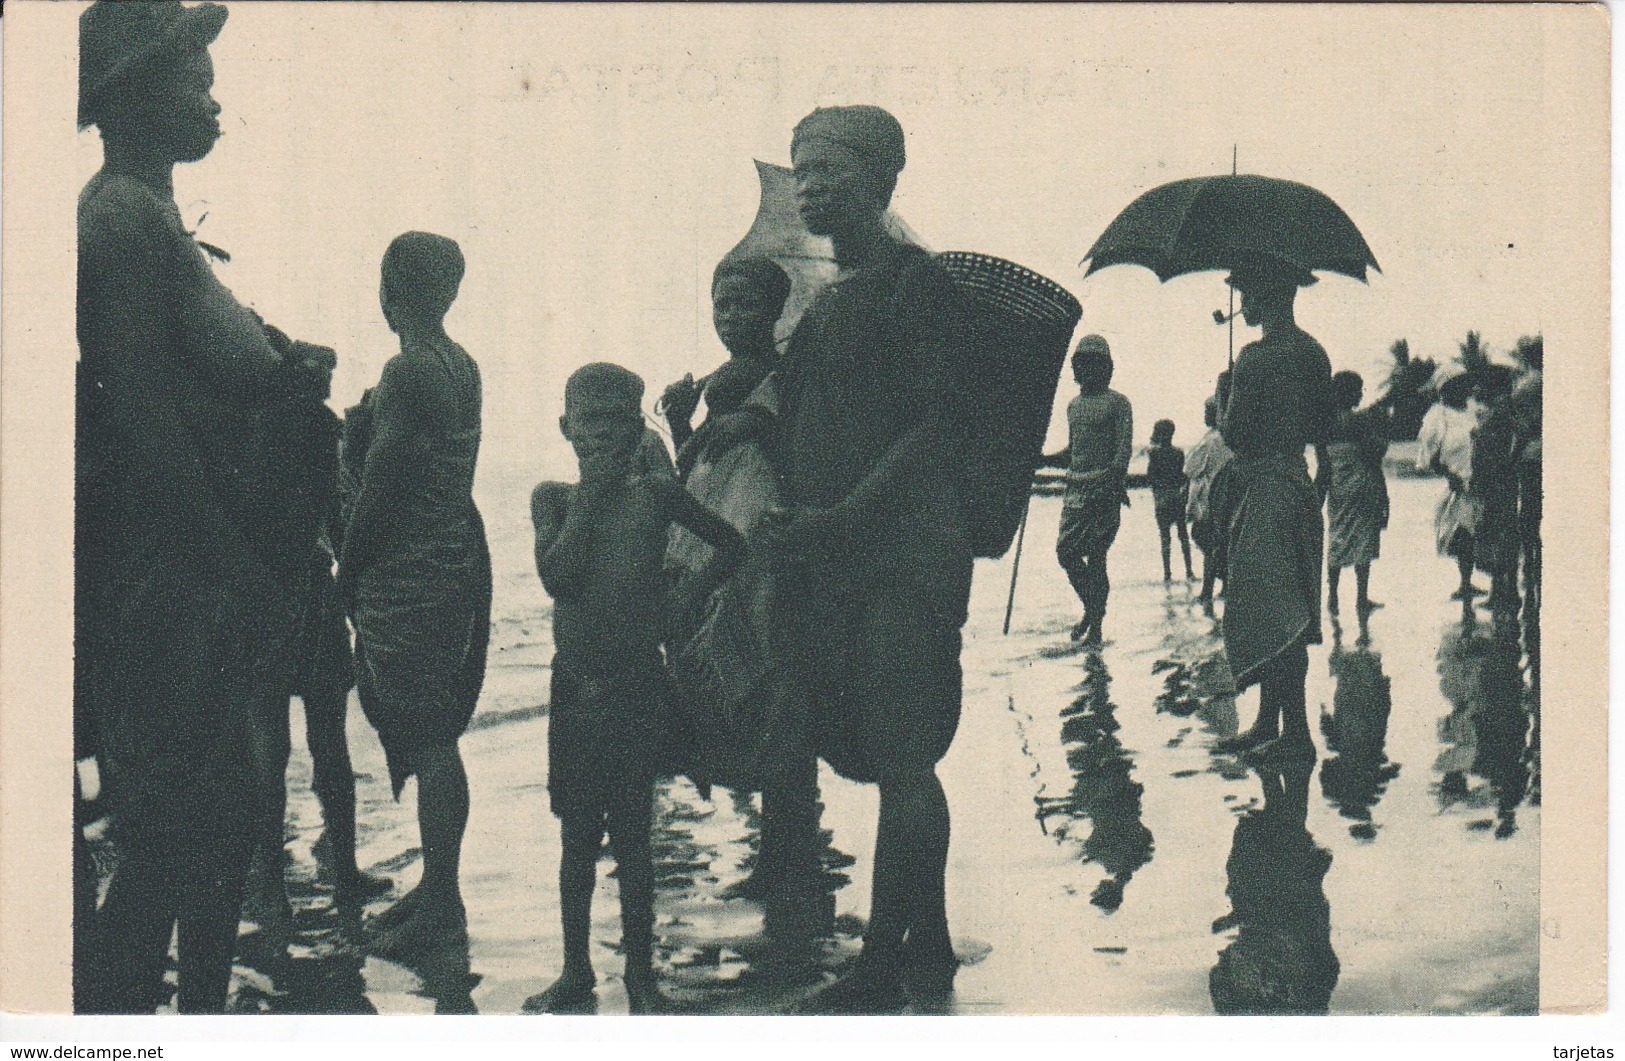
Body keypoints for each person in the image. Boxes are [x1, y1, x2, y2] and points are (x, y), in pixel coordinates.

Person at [75, 0, 331, 1013]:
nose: (215, 97)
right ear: (135, 89)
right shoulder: (120, 218)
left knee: (213, 825)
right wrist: (240, 577)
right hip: (173, 582)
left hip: (197, 580)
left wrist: (276, 361)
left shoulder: (150, 214)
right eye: (196, 78)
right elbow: (143, 421)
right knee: (173, 833)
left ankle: (199, 1018)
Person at [748, 104, 974, 1013]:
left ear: (880, 183)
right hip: (840, 556)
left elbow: (936, 427)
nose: (810, 186)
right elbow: (792, 406)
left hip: (903, 558)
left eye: (829, 171)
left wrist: (843, 515)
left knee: (904, 754)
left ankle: (883, 964)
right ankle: (933, 936)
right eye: (802, 169)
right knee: (894, 748)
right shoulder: (831, 300)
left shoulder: (916, 285)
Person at [527, 363, 745, 1015]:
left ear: (635, 427)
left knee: (631, 835)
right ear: (565, 427)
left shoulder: (656, 495)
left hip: (634, 684)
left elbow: (729, 544)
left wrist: (690, 596)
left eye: (615, 420)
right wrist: (591, 493)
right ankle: (575, 971)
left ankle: (640, 975)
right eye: (586, 421)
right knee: (575, 838)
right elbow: (560, 576)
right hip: (575, 687)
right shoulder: (553, 498)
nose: (599, 433)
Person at [339, 231, 493, 958]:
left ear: (387, 287)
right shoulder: (461, 364)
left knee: (429, 737)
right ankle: (439, 890)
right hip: (447, 560)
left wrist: (346, 569)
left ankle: (444, 906)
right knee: (436, 732)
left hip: (408, 570)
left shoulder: (408, 370)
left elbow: (382, 487)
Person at [661, 259, 828, 912]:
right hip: (720, 528)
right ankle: (777, 856)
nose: (730, 317)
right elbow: (692, 464)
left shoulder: (789, 377)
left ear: (773, 310)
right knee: (744, 691)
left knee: (768, 688)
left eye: (744, 305)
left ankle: (791, 860)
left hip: (763, 539)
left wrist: (759, 422)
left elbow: (801, 451)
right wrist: (681, 421)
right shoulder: (720, 383)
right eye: (720, 304)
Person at [244, 345, 391, 933]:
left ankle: (274, 885)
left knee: (278, 749)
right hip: (300, 595)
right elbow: (335, 515)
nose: (324, 384)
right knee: (312, 746)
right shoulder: (315, 431)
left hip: (282, 598)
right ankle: (320, 872)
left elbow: (329, 515)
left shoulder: (261, 431)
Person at [1211, 260, 1334, 766]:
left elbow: (1235, 433)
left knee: (1271, 609)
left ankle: (1297, 734)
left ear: (1263, 297)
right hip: (1298, 487)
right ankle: (1269, 723)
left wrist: (1224, 393)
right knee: (1286, 610)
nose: (1243, 304)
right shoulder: (1314, 353)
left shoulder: (1255, 359)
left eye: (1246, 293)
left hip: (1263, 490)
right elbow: (1322, 429)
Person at [1040, 335, 1133, 644]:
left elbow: (1122, 455)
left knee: (1097, 557)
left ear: (1106, 368)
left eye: (1093, 364)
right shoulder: (1073, 406)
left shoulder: (1118, 403)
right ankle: (1092, 610)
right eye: (1081, 364)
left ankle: (1096, 627)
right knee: (1065, 553)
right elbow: (1073, 452)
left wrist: (1108, 481)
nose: (1086, 370)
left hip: (1103, 493)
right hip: (1076, 493)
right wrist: (1041, 458)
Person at [1316, 370, 1389, 616]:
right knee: (1363, 543)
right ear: (1353, 394)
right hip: (1362, 487)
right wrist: (1384, 497)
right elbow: (1375, 456)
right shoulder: (1361, 421)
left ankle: (1333, 597)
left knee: (1337, 538)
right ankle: (1361, 598)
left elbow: (1323, 467)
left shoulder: (1323, 425)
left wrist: (1318, 497)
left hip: (1338, 489)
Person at [1415, 364, 1484, 603]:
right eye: (1458, 384)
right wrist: (1449, 475)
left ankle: (1474, 581)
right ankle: (1465, 582)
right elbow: (1429, 457)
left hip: (1482, 477)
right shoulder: (1437, 416)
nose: (1464, 388)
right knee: (1462, 531)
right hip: (1458, 480)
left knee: (1481, 531)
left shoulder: (1473, 410)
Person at [1184, 393, 1234, 604]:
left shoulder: (1211, 439)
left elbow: (1190, 468)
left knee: (1207, 542)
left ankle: (1207, 590)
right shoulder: (1230, 439)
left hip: (1210, 499)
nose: (1205, 415)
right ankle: (1225, 586)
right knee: (1223, 544)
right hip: (1229, 497)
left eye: (1208, 411)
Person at [1145, 419, 1195, 584]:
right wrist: (1185, 494)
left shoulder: (1154, 454)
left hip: (1162, 499)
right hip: (1177, 497)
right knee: (1183, 536)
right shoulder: (1178, 453)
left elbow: (1151, 477)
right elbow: (1184, 476)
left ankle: (1167, 575)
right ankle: (1189, 572)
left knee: (1165, 538)